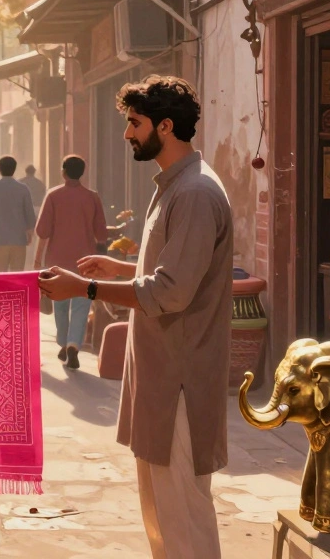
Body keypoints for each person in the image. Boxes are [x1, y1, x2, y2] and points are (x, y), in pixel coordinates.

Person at [39, 75, 231, 558]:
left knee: (183, 520)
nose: (127, 133)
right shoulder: (175, 185)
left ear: (165, 126)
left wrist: (85, 288)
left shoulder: (194, 192)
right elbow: (175, 270)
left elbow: (171, 291)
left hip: (181, 380)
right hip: (160, 372)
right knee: (163, 519)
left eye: (135, 123)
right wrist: (122, 268)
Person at [34, 155, 108, 370]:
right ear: (82, 172)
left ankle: (64, 342)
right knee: (82, 304)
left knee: (60, 304)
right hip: (85, 261)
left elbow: (42, 231)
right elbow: (101, 233)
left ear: (63, 172)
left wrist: (37, 259)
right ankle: (74, 344)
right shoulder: (92, 197)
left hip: (57, 260)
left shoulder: (53, 195)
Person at [0, 156, 38, 272]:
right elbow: (30, 217)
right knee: (17, 276)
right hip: (19, 241)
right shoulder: (23, 189)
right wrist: (29, 235)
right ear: (14, 169)